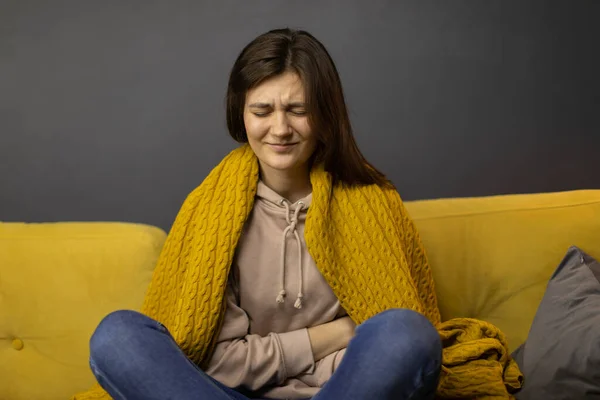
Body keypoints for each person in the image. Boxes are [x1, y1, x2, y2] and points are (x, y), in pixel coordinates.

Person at [73, 28, 521, 400]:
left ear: (324, 116)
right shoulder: (209, 211)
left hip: (343, 394)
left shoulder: (373, 200)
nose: (280, 128)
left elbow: (387, 348)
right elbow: (213, 361)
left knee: (407, 332)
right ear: (241, 115)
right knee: (117, 337)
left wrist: (289, 355)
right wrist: (334, 334)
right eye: (262, 110)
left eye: (298, 110)